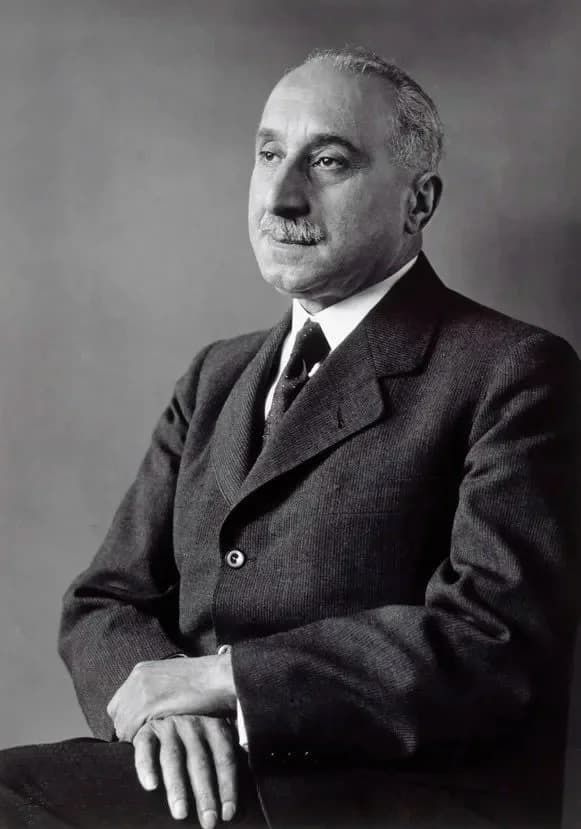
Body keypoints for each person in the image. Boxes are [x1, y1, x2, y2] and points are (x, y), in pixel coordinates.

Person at [0, 46, 579, 829]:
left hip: (386, 799)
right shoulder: (217, 375)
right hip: (207, 782)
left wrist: (226, 680)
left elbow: (493, 641)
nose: (281, 196)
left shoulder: (513, 369)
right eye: (269, 155)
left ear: (417, 202)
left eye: (327, 162)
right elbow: (104, 598)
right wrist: (169, 712)